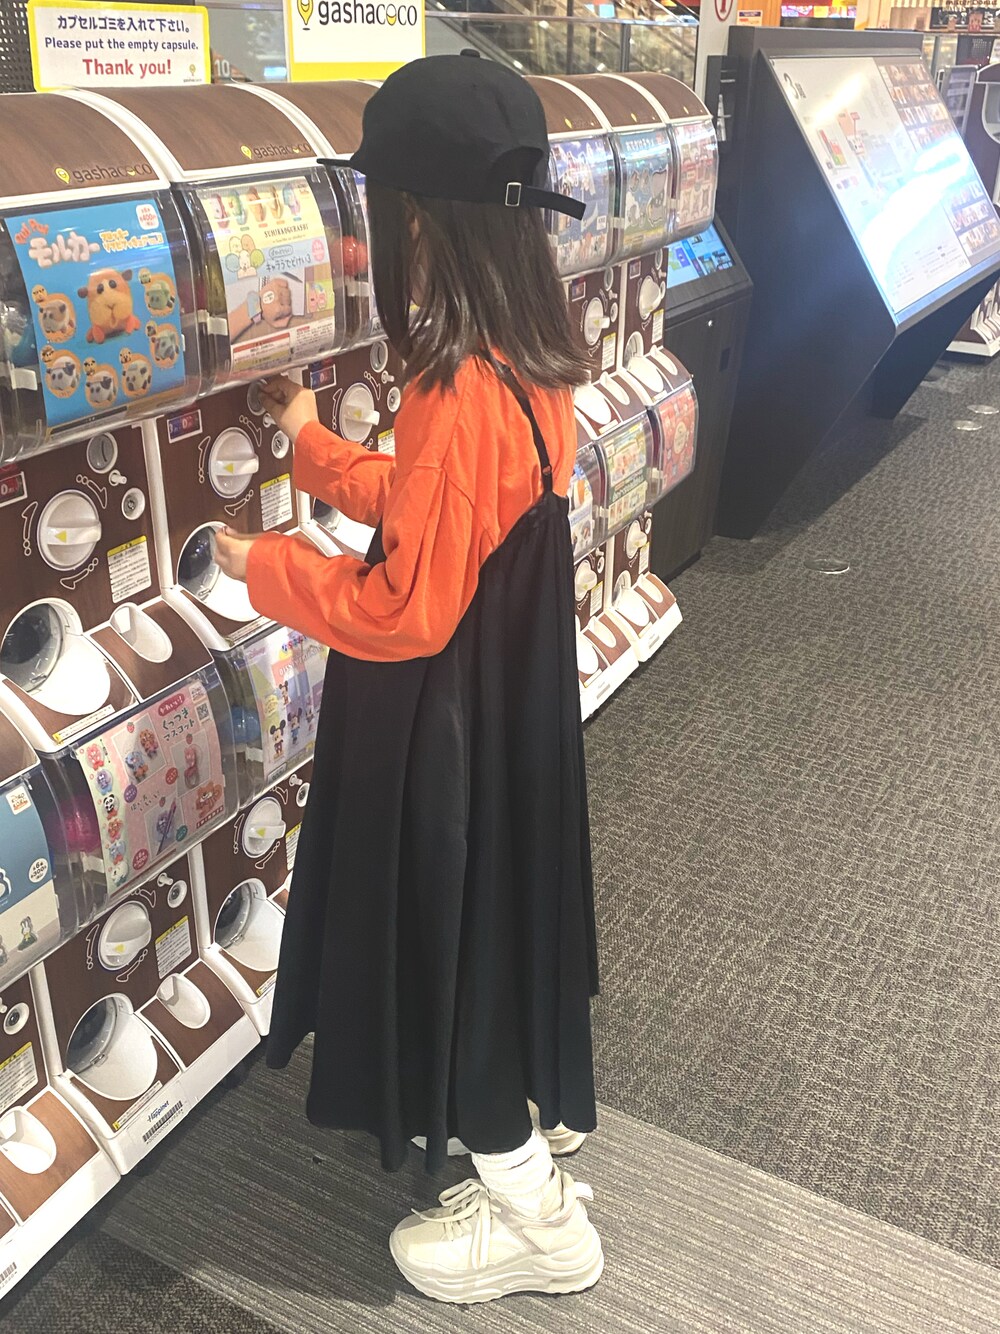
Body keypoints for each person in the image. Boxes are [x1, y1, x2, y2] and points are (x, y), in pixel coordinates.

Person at [213, 53, 602, 1305]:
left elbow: (403, 606)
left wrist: (264, 567)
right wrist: (315, 448)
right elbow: (452, 507)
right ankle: (531, 1135)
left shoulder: (449, 387)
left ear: (420, 224)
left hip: (444, 724)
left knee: (450, 935)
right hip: (512, 715)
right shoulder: (531, 358)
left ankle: (532, 1212)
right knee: (499, 926)